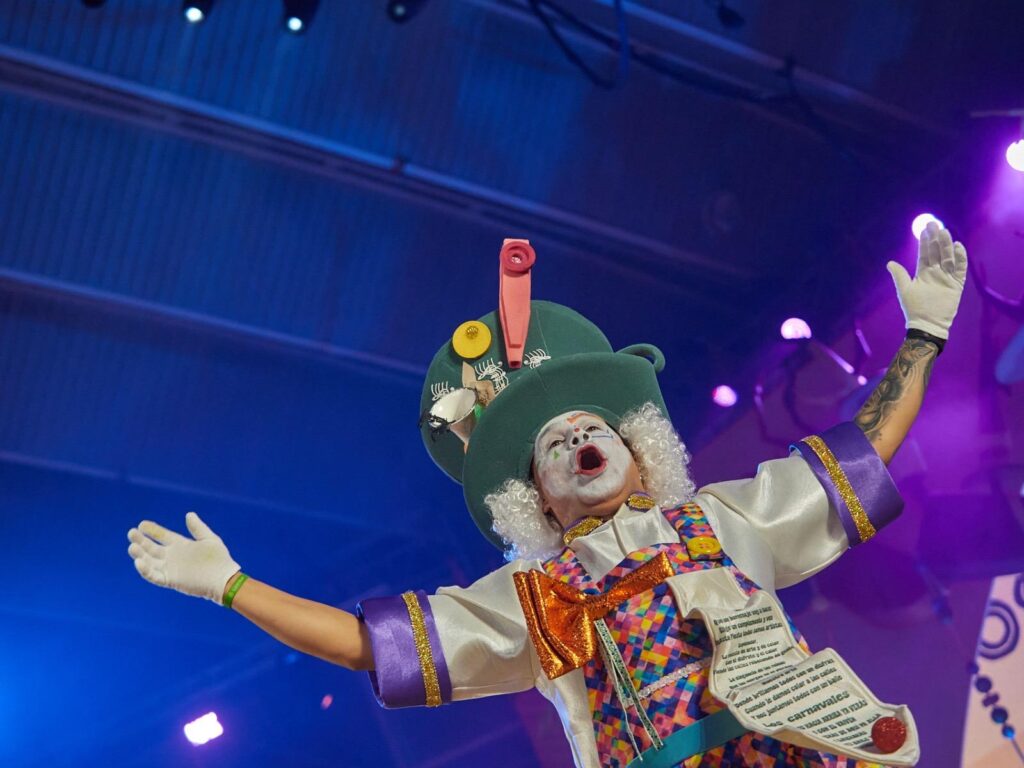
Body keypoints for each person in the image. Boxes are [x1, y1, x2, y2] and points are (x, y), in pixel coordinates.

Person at [127, 223, 967, 767]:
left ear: (638, 449)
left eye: (590, 427)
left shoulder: (725, 518)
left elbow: (860, 454)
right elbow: (366, 645)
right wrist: (232, 586)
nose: (575, 440)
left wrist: (924, 335)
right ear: (537, 501)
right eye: (553, 445)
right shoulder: (534, 598)